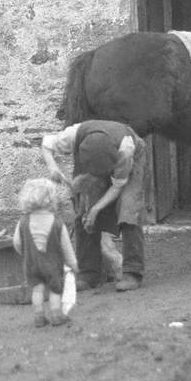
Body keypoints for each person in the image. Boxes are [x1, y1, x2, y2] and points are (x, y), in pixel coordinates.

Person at [41, 120, 154, 292]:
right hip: (93, 168)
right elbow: (46, 144)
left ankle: (132, 272)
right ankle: (89, 274)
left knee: (128, 210)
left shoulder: (126, 149)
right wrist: (53, 168)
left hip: (131, 162)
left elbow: (118, 185)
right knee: (83, 213)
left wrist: (97, 209)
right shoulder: (72, 136)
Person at [12, 178, 78, 327]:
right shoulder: (57, 222)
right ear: (51, 199)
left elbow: (16, 242)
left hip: (31, 263)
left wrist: (24, 253)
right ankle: (56, 315)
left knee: (37, 289)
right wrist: (73, 264)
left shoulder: (22, 221)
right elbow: (66, 246)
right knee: (55, 288)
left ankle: (39, 316)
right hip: (52, 263)